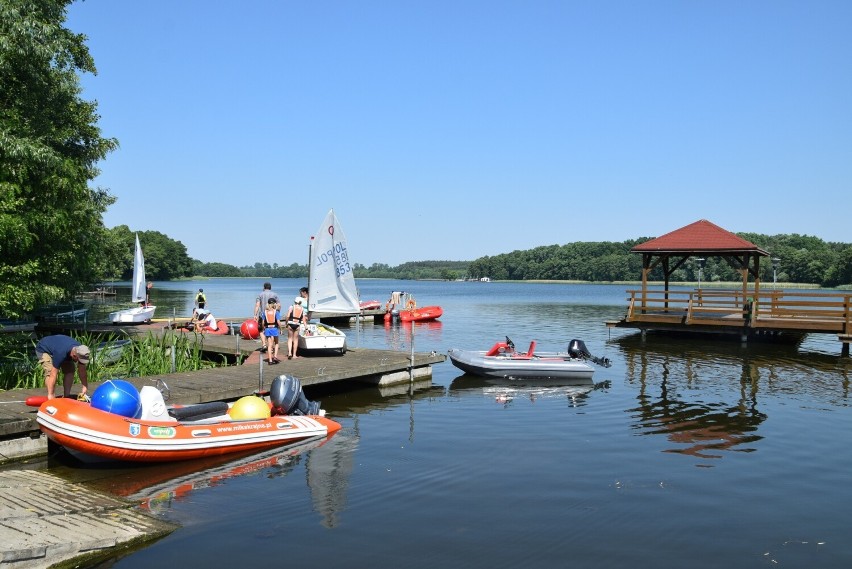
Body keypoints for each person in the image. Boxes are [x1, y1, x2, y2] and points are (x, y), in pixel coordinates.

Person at [34, 334, 90, 400]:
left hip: (59, 346)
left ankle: (67, 396)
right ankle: (51, 395)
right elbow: (53, 374)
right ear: (74, 355)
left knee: (70, 370)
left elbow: (82, 370)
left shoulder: (81, 351)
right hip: (43, 349)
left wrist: (84, 386)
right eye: (79, 360)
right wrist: (51, 395)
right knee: (50, 371)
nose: (80, 362)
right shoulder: (60, 353)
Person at [254, 282, 279, 352]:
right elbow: (279, 305)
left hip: (262, 314)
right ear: (270, 288)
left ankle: (264, 344)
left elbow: (257, 305)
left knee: (261, 330)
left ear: (264, 287)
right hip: (272, 315)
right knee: (272, 330)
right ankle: (271, 347)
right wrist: (276, 313)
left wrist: (255, 315)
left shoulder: (260, 294)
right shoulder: (275, 294)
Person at [262, 298, 281, 364]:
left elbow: (263, 322)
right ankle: (275, 357)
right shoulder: (276, 312)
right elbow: (278, 322)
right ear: (274, 304)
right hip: (274, 328)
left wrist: (264, 328)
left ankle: (270, 360)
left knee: (269, 345)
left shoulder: (265, 312)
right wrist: (281, 329)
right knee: (276, 343)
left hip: (267, 328)